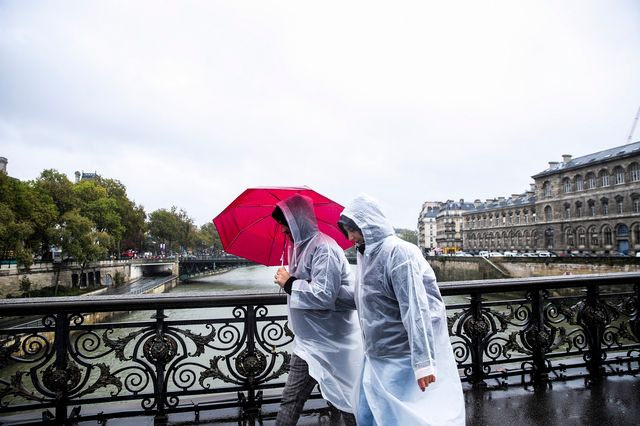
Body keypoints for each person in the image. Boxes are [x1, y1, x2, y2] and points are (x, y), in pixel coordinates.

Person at [336, 194, 465, 426]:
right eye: (347, 231)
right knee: (373, 413)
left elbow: (415, 308)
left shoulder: (399, 253)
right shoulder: (366, 254)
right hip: (378, 354)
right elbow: (362, 298)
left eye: (353, 229)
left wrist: (423, 362)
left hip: (401, 356)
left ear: (368, 224)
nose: (350, 237)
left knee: (402, 417)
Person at [272, 194, 362, 426]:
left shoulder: (325, 249)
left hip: (332, 342)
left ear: (297, 223)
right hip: (310, 341)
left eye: (285, 226)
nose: (283, 232)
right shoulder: (301, 248)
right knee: (292, 400)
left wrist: (290, 283)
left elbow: (324, 294)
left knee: (345, 400)